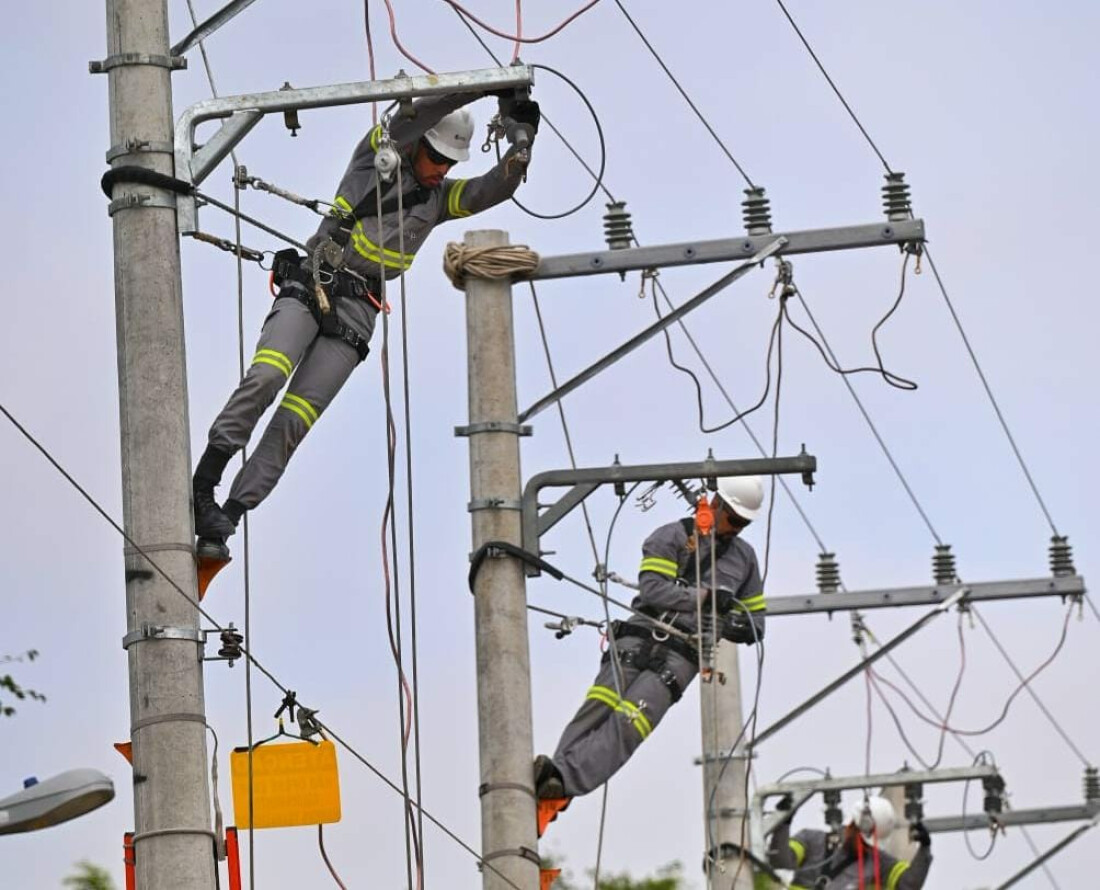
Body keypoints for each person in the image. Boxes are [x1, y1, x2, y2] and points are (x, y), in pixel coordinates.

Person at [190, 89, 540, 558]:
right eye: (437, 157)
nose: (442, 169)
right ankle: (203, 485)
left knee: (295, 420)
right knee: (268, 374)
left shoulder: (438, 200)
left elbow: (493, 188)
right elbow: (420, 115)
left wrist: (522, 142)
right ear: (418, 145)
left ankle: (226, 519)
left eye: (450, 163)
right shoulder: (376, 158)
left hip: (358, 313)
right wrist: (486, 86)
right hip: (315, 282)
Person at [534, 476, 768, 805]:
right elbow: (653, 589)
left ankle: (561, 781)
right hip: (639, 637)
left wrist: (737, 625)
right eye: (734, 519)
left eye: (744, 524)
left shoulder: (745, 559)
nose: (737, 529)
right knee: (599, 706)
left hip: (682, 656)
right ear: (716, 504)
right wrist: (706, 597)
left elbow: (756, 622)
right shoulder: (671, 537)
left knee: (630, 722)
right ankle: (554, 777)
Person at [768, 795, 933, 890]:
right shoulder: (811, 840)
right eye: (864, 841)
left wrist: (924, 850)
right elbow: (781, 862)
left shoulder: (877, 861)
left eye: (869, 845)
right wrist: (783, 825)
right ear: (853, 825)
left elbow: (908, 884)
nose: (865, 847)